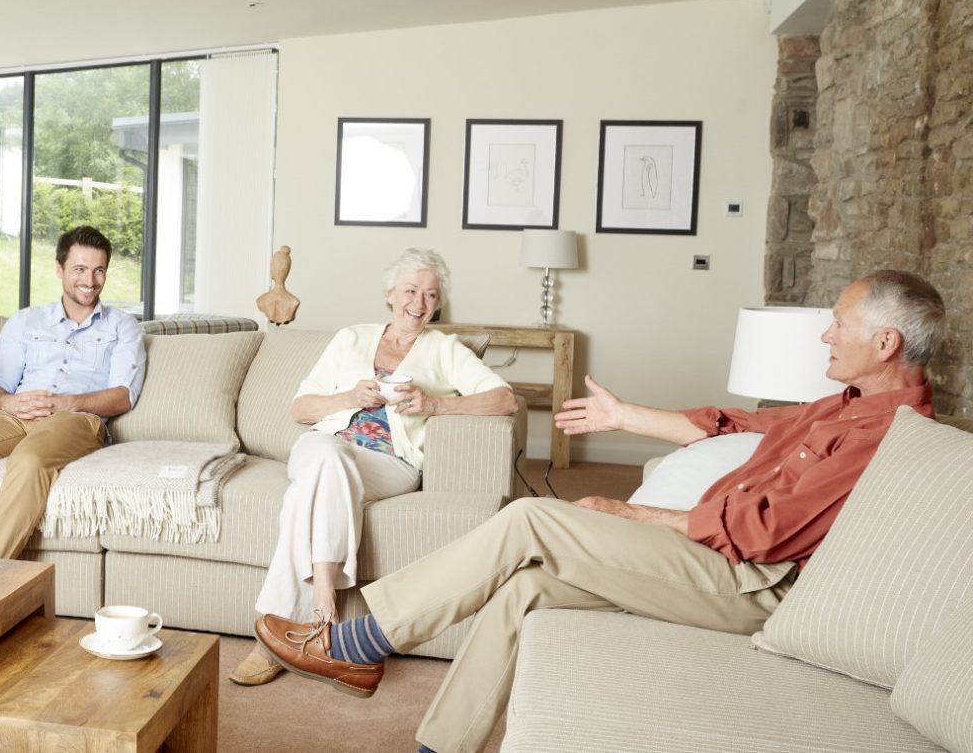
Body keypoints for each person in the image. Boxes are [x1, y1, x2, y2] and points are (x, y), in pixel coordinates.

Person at [253, 269, 943, 753]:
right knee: (526, 587)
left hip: (744, 581)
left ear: (884, 343)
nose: (826, 336)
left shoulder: (882, 434)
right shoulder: (846, 406)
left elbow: (764, 533)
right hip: (713, 557)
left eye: (840, 325)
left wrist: (644, 517)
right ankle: (442, 746)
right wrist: (624, 415)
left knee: (532, 520)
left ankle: (357, 642)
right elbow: (732, 426)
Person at [231, 248, 517, 687]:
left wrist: (435, 404)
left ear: (438, 303)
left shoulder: (445, 350)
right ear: (389, 294)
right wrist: (350, 397)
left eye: (430, 295)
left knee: (301, 496)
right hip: (323, 444)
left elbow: (504, 399)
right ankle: (324, 603)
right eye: (410, 291)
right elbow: (301, 408)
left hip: (389, 462)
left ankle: (271, 640)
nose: (419, 303)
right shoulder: (351, 337)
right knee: (327, 457)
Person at [0, 225, 146, 560]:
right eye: (79, 269)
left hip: (76, 420)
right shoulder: (25, 321)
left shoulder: (123, 327)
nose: (89, 281)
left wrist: (69, 403)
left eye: (99, 270)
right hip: (16, 416)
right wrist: (10, 402)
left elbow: (123, 395)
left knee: (29, 460)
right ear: (59, 269)